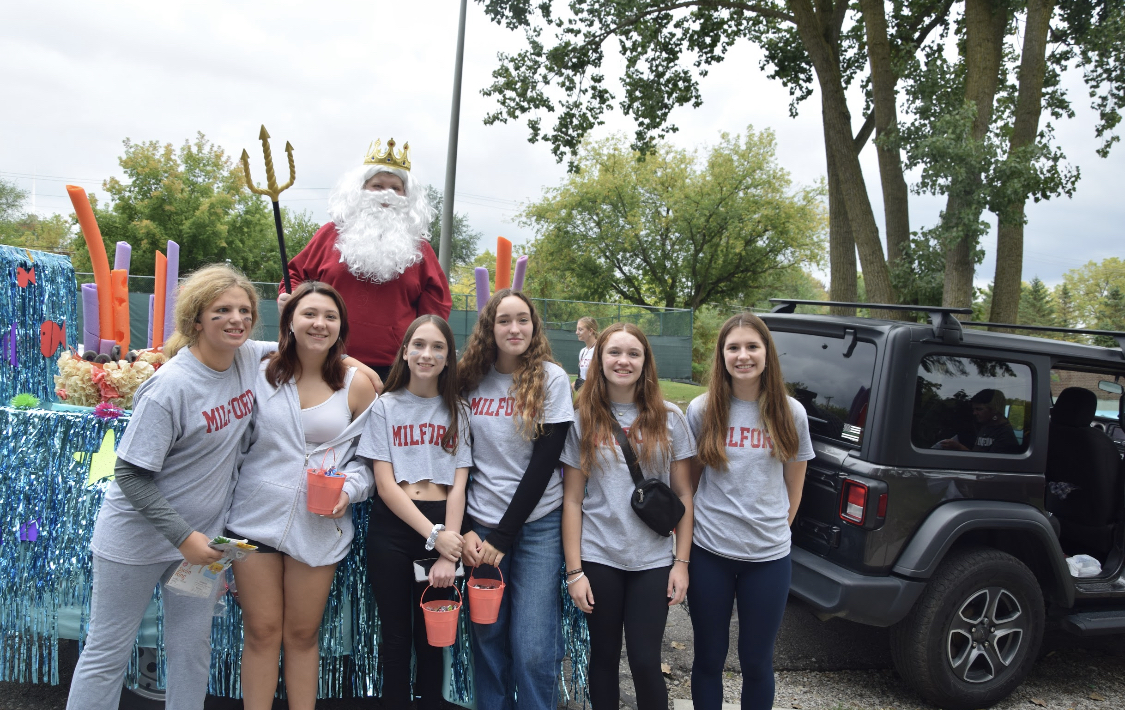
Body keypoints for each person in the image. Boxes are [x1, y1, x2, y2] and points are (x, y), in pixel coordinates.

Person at [66, 265, 274, 710]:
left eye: (244, 309)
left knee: (191, 649)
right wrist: (184, 537)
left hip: (204, 546)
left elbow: (305, 347)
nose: (236, 318)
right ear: (196, 320)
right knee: (108, 653)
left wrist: (355, 367)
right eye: (222, 310)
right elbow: (130, 475)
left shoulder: (246, 356)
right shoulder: (171, 387)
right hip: (137, 541)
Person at [225, 281, 378, 710]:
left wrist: (350, 489)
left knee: (302, 634)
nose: (319, 323)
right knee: (261, 631)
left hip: (320, 527)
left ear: (341, 328)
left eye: (330, 317)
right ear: (289, 319)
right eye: (309, 313)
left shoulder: (358, 384)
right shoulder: (257, 369)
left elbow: (371, 462)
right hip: (253, 519)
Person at [561, 323, 695, 710]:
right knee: (602, 660)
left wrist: (681, 563)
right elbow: (572, 500)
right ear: (598, 360)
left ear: (645, 362)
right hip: (599, 557)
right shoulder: (582, 418)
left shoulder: (669, 418)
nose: (623, 361)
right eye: (614, 353)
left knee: (644, 661)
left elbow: (684, 493)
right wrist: (575, 572)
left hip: (652, 560)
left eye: (633, 354)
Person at [686, 313, 814, 710]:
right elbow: (688, 485)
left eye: (752, 346)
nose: (743, 355)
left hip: (768, 559)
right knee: (709, 659)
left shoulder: (790, 413)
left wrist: (775, 530)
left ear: (766, 353)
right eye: (733, 347)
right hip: (710, 554)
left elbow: (794, 486)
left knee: (757, 662)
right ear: (722, 355)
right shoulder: (702, 409)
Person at [458, 289, 574, 710]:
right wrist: (467, 527)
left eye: (522, 319)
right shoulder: (470, 376)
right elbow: (458, 458)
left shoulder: (550, 378)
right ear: (490, 328)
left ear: (534, 326)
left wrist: (503, 536)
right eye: (503, 320)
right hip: (481, 526)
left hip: (537, 526)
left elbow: (544, 465)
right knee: (487, 635)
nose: (514, 328)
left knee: (532, 644)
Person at [357, 314, 472, 710]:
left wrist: (447, 549)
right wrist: (434, 536)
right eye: (419, 345)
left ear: (448, 357)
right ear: (405, 352)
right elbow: (385, 486)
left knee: (432, 634)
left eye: (438, 347)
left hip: (443, 527)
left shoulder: (458, 409)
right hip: (394, 529)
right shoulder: (384, 408)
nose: (427, 354)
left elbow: (459, 485)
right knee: (395, 634)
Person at [281, 138, 452, 381]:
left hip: (394, 369)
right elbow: (295, 275)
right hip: (325, 360)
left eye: (396, 188)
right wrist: (291, 301)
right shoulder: (330, 234)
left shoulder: (420, 249)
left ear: (408, 196)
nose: (387, 195)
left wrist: (424, 344)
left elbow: (436, 306)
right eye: (378, 186)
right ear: (361, 189)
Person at [936, 388, 1020, 453]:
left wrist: (959, 447)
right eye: (973, 409)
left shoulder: (1005, 434)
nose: (974, 413)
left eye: (979, 409)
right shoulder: (985, 427)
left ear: (994, 410)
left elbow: (988, 464)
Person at [573, 316, 598, 392]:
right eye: (577, 329)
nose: (577, 332)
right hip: (584, 394)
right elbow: (582, 378)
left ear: (590, 331)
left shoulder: (599, 349)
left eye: (580, 329)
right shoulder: (583, 351)